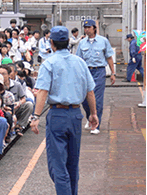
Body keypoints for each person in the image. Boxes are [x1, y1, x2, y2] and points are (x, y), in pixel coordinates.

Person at [30, 25, 99, 195]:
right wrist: (93, 114)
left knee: (57, 165)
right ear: (68, 42)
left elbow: (43, 92)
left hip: (58, 115)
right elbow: (90, 91)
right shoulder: (80, 62)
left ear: (51, 43)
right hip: (76, 115)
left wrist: (36, 116)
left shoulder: (49, 64)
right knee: (72, 163)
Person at [76, 19, 116, 135]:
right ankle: (91, 117)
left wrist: (113, 73)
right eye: (85, 27)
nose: (86, 29)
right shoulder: (82, 43)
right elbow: (78, 60)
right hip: (86, 71)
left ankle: (96, 125)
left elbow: (109, 57)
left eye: (89, 27)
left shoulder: (103, 41)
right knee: (83, 99)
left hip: (99, 71)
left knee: (97, 99)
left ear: (94, 28)